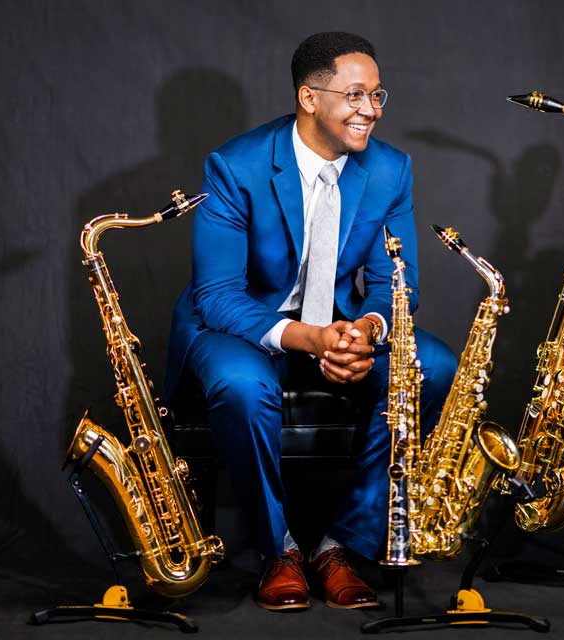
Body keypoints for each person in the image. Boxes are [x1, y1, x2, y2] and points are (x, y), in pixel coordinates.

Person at [164, 32, 457, 611]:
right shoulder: (235, 166)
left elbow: (396, 286)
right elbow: (217, 294)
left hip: (336, 324)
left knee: (435, 366)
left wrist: (366, 330)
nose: (370, 110)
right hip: (238, 324)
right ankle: (279, 551)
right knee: (243, 386)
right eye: (355, 95)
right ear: (309, 97)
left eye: (377, 96)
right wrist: (311, 338)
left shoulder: (391, 170)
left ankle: (339, 545)